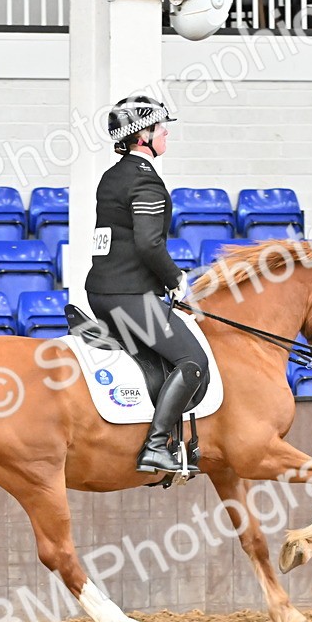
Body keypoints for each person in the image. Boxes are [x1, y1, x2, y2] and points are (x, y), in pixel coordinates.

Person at [85, 95, 210, 475]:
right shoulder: (145, 181)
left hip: (101, 293)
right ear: (142, 136)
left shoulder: (112, 176)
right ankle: (156, 446)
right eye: (160, 127)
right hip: (129, 296)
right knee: (193, 361)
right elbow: (148, 243)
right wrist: (174, 279)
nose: (166, 132)